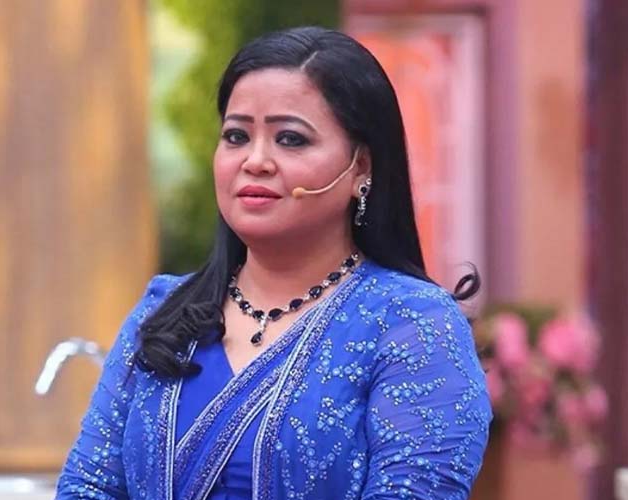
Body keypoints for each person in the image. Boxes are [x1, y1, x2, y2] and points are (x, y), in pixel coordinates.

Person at [57, 26, 491, 500]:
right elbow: (88, 486)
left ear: (361, 167)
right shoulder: (165, 313)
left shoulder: (411, 323)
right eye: (236, 136)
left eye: (290, 139)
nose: (255, 160)